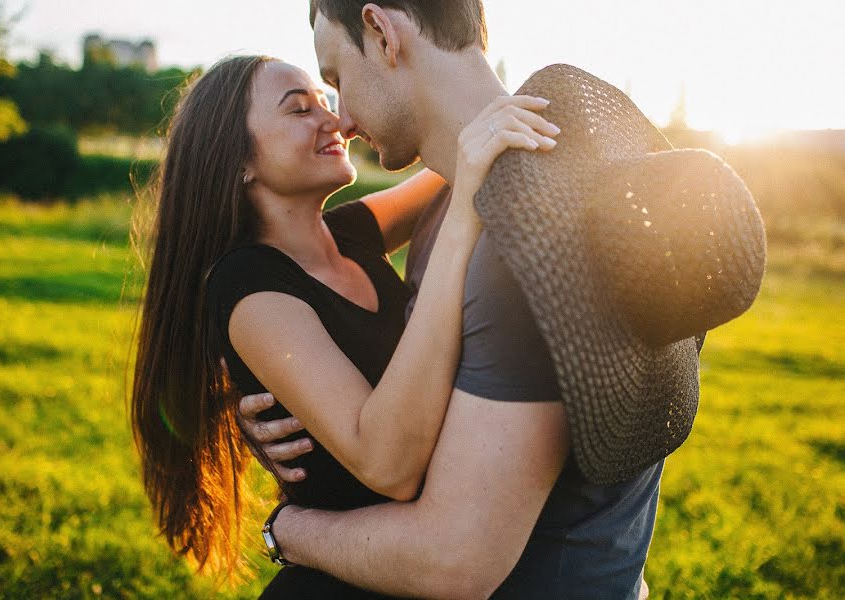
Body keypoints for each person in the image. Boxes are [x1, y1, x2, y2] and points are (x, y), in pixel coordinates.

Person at [237, 2, 666, 598]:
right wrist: (287, 400)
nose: (345, 120)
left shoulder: (522, 238)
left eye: (336, 79)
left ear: (383, 33)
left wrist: (290, 529)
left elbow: (453, 561)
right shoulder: (453, 196)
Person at [129, 52, 560, 597]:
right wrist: (463, 219)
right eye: (300, 109)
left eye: (325, 101)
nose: (334, 121)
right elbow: (388, 464)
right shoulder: (248, 286)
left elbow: (461, 152)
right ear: (239, 161)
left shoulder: (351, 234)